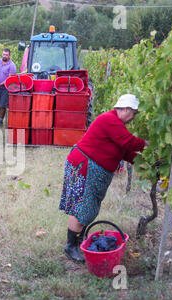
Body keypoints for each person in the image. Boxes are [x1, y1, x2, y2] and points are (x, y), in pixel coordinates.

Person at [59, 94, 149, 262]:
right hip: (84, 168)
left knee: (88, 206)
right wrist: (149, 145)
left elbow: (127, 152)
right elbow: (129, 142)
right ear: (125, 109)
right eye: (134, 113)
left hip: (92, 171)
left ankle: (78, 241)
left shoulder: (117, 125)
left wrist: (149, 163)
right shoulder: (109, 119)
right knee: (81, 207)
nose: (133, 117)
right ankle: (70, 246)